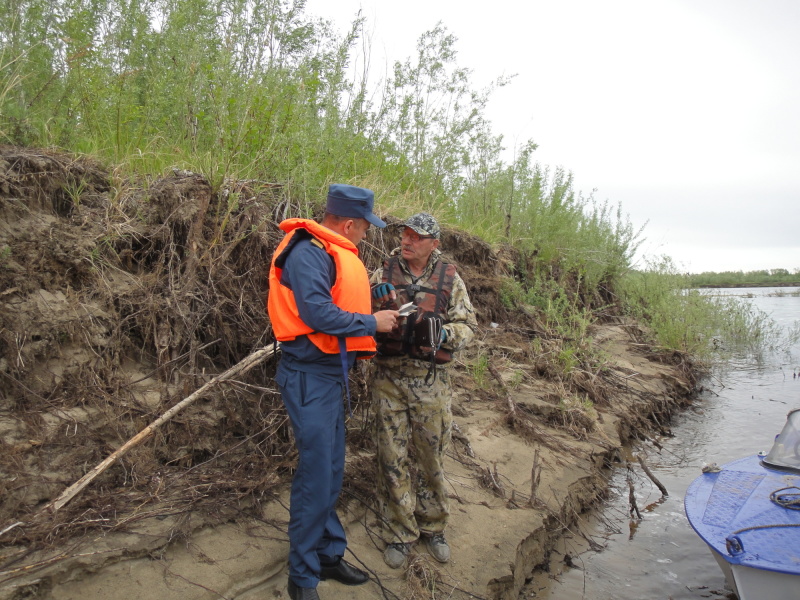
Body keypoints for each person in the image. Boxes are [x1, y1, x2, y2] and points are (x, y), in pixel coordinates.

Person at [267, 184, 400, 600]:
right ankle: (302, 578)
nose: (365, 235)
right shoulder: (308, 251)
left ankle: (326, 554)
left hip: (328, 376)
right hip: (308, 377)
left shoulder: (328, 250)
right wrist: (371, 323)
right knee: (315, 476)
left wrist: (369, 304)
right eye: (364, 228)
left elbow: (334, 299)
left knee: (331, 472)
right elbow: (317, 313)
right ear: (348, 223)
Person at [369, 212, 477, 569]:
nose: (408, 240)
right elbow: (355, 312)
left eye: (417, 236)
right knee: (391, 456)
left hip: (430, 382)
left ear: (434, 244)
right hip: (388, 379)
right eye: (405, 234)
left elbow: (468, 324)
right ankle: (400, 532)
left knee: (431, 456)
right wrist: (373, 299)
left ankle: (433, 526)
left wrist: (445, 334)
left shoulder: (450, 278)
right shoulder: (382, 273)